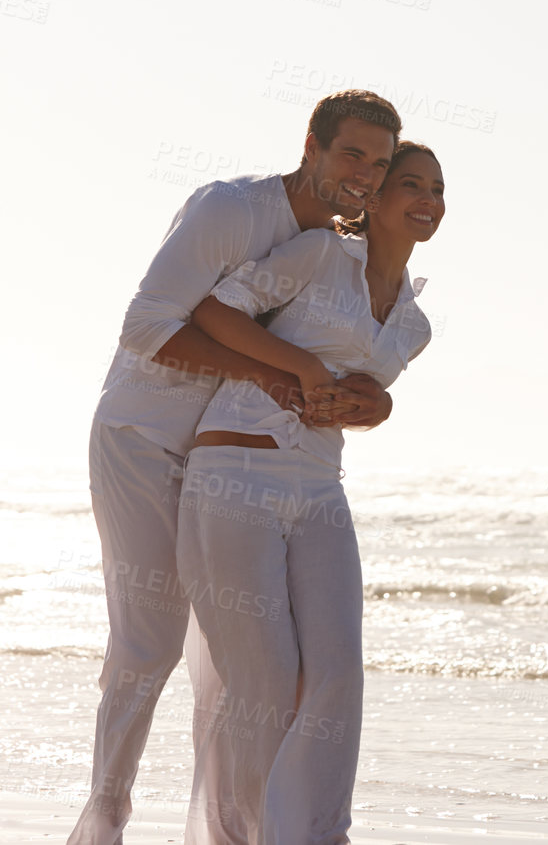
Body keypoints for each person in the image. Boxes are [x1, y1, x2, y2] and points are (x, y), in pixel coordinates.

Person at [68, 92, 401, 845]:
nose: (364, 177)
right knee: (148, 642)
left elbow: (355, 356)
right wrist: (267, 375)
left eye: (379, 166)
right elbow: (147, 327)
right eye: (352, 154)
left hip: (229, 466)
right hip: (143, 438)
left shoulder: (336, 252)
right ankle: (105, 819)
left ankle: (237, 829)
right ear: (311, 145)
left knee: (232, 666)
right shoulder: (233, 210)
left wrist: (370, 403)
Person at [176, 141, 445, 845]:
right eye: (410, 183)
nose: (428, 198)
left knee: (337, 676)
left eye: (438, 189)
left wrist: (372, 407)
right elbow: (215, 313)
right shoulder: (321, 254)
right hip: (237, 470)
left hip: (321, 487)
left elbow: (365, 393)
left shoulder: (415, 327)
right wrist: (299, 367)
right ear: (377, 197)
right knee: (263, 680)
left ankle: (315, 835)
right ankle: (251, 834)